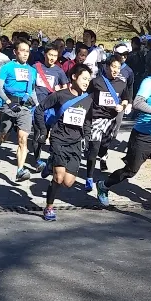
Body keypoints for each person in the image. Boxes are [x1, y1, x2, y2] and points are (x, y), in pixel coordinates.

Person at [96, 50, 151, 224]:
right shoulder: (150, 82)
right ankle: (103, 186)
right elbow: (137, 103)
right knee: (130, 171)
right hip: (142, 136)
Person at [35, 65, 94, 221]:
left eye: (88, 79)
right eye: (84, 78)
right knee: (59, 178)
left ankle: (50, 163)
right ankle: (49, 208)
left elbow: (87, 121)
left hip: (75, 143)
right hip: (59, 139)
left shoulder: (88, 99)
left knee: (68, 182)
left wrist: (86, 138)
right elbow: (40, 109)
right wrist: (43, 130)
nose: (86, 82)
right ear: (74, 76)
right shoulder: (60, 95)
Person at [0, 39, 39, 182]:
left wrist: (37, 105)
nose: (25, 54)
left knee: (22, 139)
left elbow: (32, 90)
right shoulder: (7, 67)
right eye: (22, 51)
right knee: (4, 133)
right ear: (15, 52)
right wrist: (8, 102)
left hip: (24, 107)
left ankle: (20, 170)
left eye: (27, 51)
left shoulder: (32, 71)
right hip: (8, 105)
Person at [85, 56, 130, 191]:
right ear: (106, 67)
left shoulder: (122, 83)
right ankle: (89, 178)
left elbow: (126, 98)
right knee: (94, 147)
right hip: (97, 118)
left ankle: (103, 154)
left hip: (111, 119)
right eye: (113, 66)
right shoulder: (96, 82)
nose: (115, 70)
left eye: (118, 67)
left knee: (104, 145)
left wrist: (122, 105)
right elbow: (87, 97)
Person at [31, 43, 69, 173]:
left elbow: (66, 88)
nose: (52, 58)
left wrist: (60, 90)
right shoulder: (36, 67)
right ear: (44, 54)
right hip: (37, 106)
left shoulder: (59, 71)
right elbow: (29, 84)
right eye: (50, 55)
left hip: (51, 108)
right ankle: (37, 160)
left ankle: (50, 159)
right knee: (38, 133)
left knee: (46, 133)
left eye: (55, 55)